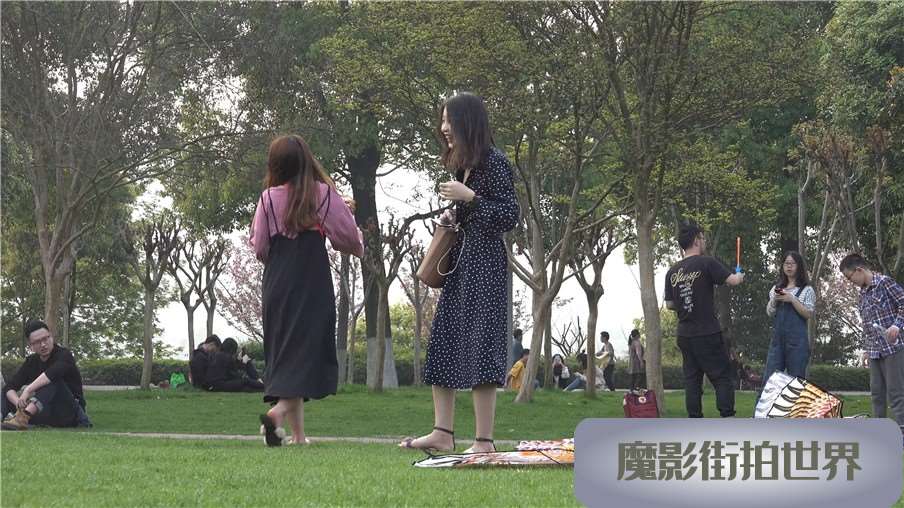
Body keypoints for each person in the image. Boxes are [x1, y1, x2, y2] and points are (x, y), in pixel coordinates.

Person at [400, 92, 519, 454]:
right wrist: (454, 215)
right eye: (442, 121)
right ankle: (442, 432)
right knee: (444, 341)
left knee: (482, 348)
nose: (443, 128)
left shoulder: (495, 162)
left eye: (449, 120)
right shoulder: (462, 166)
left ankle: (484, 441)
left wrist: (471, 198)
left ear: (467, 122)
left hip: (486, 267)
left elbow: (509, 215)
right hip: (460, 264)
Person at [249, 134, 364, 446]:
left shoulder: (267, 198)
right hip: (311, 279)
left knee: (288, 354)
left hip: (277, 280)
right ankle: (277, 414)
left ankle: (299, 437)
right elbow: (347, 238)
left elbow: (259, 246)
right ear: (307, 160)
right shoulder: (322, 194)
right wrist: (347, 218)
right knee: (308, 353)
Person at [664, 223, 744, 418]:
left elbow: (669, 304)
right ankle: (727, 417)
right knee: (722, 376)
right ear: (696, 241)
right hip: (707, 331)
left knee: (692, 380)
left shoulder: (672, 272)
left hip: (684, 334)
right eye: (702, 238)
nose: (704, 241)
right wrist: (739, 275)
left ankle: (694, 420)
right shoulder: (706, 262)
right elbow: (733, 281)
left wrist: (686, 303)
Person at [839, 253, 904, 440]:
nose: (851, 282)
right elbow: (866, 325)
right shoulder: (862, 294)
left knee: (896, 393)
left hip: (893, 349)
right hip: (874, 351)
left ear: (859, 270)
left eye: (850, 277)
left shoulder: (885, 283)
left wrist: (897, 325)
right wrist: (866, 350)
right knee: (876, 393)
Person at [2, 319, 91, 430]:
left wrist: (28, 390)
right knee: (5, 392)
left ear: (51, 337)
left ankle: (22, 418)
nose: (43, 344)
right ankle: (14, 417)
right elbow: (9, 387)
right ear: (31, 346)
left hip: (69, 411)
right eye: (37, 342)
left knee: (53, 381)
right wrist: (19, 403)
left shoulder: (65, 355)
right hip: (45, 410)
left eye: (45, 339)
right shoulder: (31, 362)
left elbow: (52, 374)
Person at [763, 251, 815, 382]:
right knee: (770, 380)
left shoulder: (807, 290)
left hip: (798, 343)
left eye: (792, 263)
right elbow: (769, 312)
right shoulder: (776, 289)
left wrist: (792, 299)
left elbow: (808, 314)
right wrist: (774, 300)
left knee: (796, 382)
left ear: (799, 266)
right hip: (777, 342)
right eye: (786, 263)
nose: (789, 266)